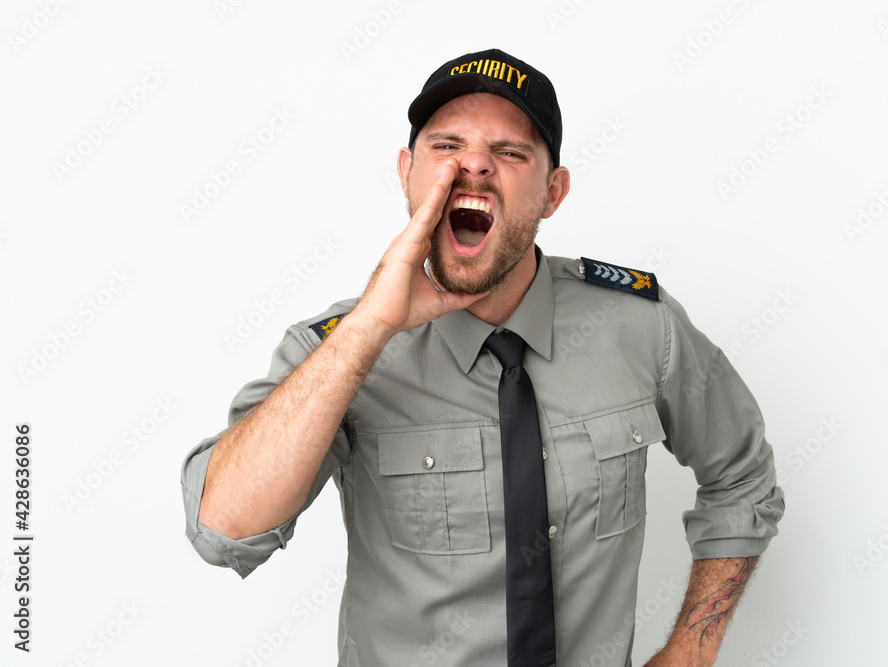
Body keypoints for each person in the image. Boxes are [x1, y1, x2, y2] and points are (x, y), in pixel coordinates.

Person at [180, 48, 784, 667]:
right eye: (447, 146)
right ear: (406, 172)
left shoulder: (639, 327)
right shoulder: (336, 352)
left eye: (510, 151)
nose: (473, 164)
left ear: (553, 192)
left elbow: (741, 475)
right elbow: (223, 530)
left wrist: (691, 649)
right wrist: (369, 329)